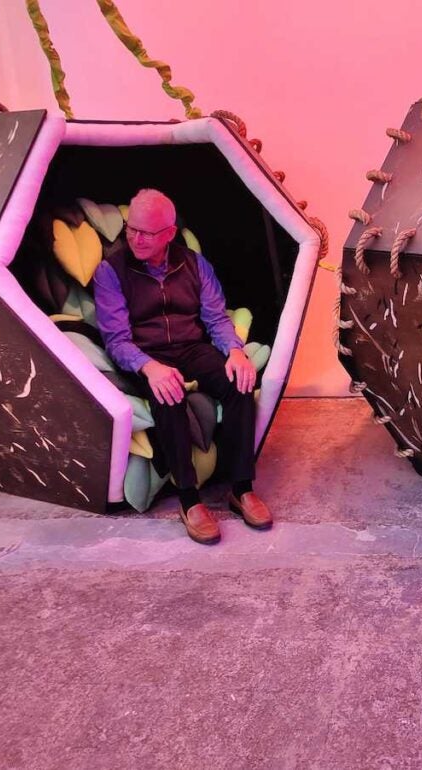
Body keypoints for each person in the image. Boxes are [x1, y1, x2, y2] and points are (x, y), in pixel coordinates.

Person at [93, 188, 271, 545]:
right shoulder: (110, 271)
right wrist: (148, 367)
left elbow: (216, 318)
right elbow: (116, 340)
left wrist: (235, 351)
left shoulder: (193, 263)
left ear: (170, 233)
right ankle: (189, 500)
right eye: (131, 229)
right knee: (168, 394)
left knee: (239, 381)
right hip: (145, 354)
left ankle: (242, 488)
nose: (135, 238)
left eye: (147, 232)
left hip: (191, 347)